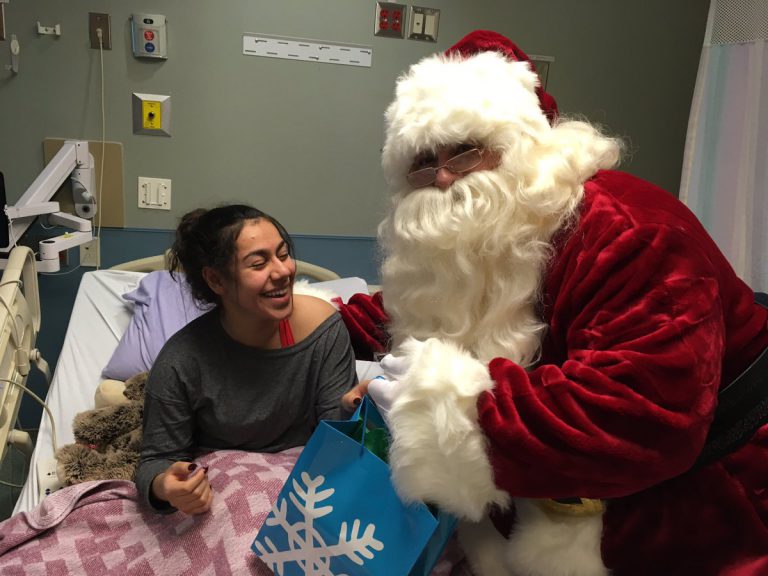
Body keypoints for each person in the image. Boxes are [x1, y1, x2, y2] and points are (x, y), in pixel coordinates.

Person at [339, 30, 768, 576]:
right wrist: (298, 321)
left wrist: (451, 410)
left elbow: (644, 414)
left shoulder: (627, 231)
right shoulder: (480, 241)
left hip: (713, 502)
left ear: (522, 149)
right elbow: (426, 308)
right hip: (584, 498)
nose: (443, 178)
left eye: (466, 150)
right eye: (423, 162)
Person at [135, 204, 357, 515]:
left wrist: (356, 408)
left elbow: (339, 446)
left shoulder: (322, 331)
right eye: (259, 263)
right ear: (216, 281)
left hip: (304, 489)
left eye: (283, 254)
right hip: (220, 497)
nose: (282, 272)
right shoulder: (181, 361)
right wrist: (167, 487)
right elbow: (157, 459)